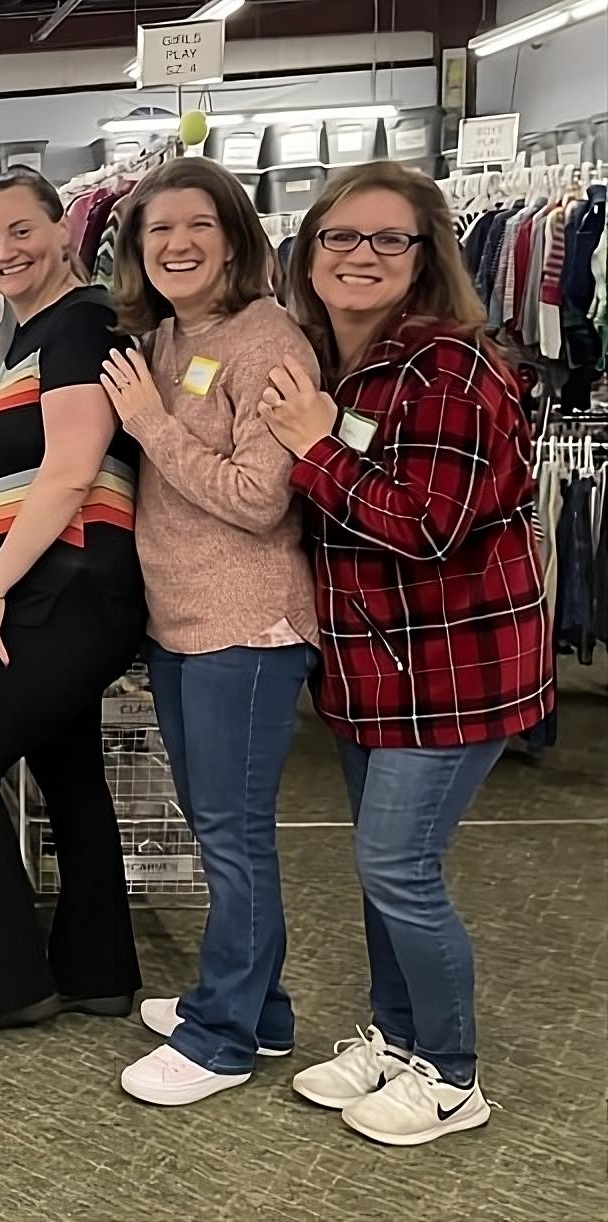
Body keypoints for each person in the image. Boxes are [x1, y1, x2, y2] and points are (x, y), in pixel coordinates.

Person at [257, 161, 551, 1146]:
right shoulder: (331, 364)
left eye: (389, 239)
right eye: (341, 236)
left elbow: (426, 525)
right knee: (385, 866)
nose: (361, 256)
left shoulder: (450, 367)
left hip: (454, 671)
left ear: (427, 257)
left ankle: (454, 1073)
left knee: (399, 865)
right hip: (370, 670)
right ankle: (394, 1034)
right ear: (309, 252)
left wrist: (314, 445)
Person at [91, 158, 322, 1104]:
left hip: (249, 626)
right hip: (182, 621)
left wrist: (149, 424)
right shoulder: (167, 338)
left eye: (197, 226)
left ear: (235, 235)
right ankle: (258, 1010)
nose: (177, 245)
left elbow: (259, 500)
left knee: (233, 836)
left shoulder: (268, 342)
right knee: (217, 826)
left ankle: (222, 1035)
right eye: (157, 232)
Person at [0, 169, 146, 1037]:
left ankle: (1, 980)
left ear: (63, 229)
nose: (4, 251)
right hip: (54, 590)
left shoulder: (80, 325)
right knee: (69, 775)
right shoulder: (33, 334)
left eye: (21, 231)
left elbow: (71, 471)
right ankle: (97, 969)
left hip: (64, 591)